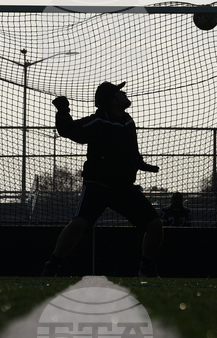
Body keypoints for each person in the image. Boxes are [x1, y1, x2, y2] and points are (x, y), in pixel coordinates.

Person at [41, 82, 163, 277]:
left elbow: (130, 151)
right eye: (120, 92)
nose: (124, 93)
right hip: (98, 185)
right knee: (79, 224)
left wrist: (140, 164)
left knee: (155, 225)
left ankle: (146, 268)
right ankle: (53, 265)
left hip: (124, 187)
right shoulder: (99, 121)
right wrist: (63, 112)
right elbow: (70, 130)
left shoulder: (127, 121)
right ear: (113, 99)